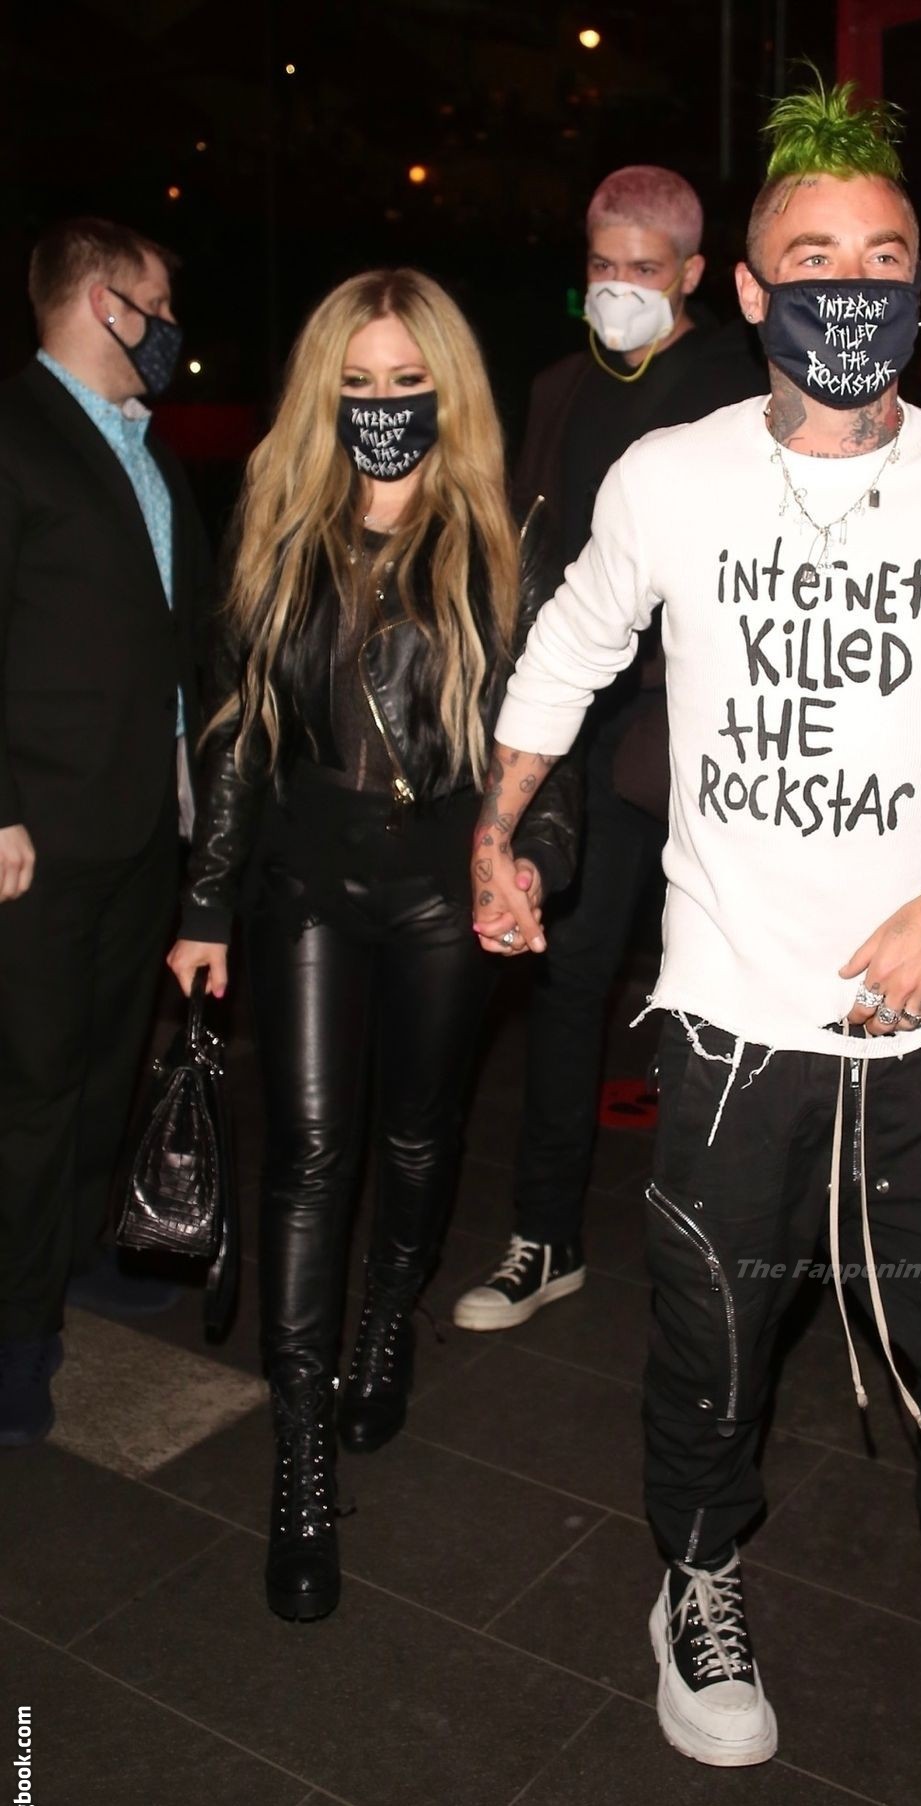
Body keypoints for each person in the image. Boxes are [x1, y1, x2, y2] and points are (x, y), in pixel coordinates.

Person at [471, 79, 921, 1806]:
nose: (852, 286)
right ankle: (695, 1583)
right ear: (753, 290)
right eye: (815, 258)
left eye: (886, 256)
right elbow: (572, 641)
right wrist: (498, 823)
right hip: (730, 1028)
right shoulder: (672, 475)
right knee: (709, 1348)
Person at [167, 268, 579, 1623]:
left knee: (415, 1136)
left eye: (408, 384)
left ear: (445, 392)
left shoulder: (500, 544)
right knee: (305, 1156)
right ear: (321, 395)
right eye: (358, 386)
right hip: (305, 880)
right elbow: (237, 732)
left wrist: (531, 859)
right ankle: (297, 1459)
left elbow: (541, 743)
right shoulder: (279, 526)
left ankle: (388, 1320)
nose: (384, 407)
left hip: (443, 884)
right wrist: (207, 906)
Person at [453, 165, 767, 1335]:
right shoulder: (559, 389)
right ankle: (546, 1236)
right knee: (569, 982)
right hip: (579, 735)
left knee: (717, 989)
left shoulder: (741, 387)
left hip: (699, 740)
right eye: (601, 266)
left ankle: (728, 1246)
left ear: (693, 274)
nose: (619, 288)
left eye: (644, 268)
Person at [0, 216, 210, 1448]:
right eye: (159, 303)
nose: (172, 327)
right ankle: (14, 1333)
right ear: (103, 301)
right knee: (30, 1087)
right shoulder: (15, 430)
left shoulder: (142, 445)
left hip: (139, 820)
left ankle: (74, 1254)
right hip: (38, 831)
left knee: (101, 1065)